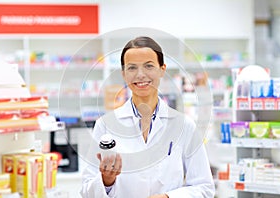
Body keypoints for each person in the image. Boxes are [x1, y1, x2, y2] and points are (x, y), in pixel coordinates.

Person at [80, 36, 215, 198]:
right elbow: (86, 191)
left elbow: (204, 188)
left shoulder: (184, 125)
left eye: (149, 66)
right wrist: (106, 180)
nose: (140, 75)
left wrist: (167, 197)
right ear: (124, 74)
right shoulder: (105, 125)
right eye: (132, 68)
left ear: (162, 70)